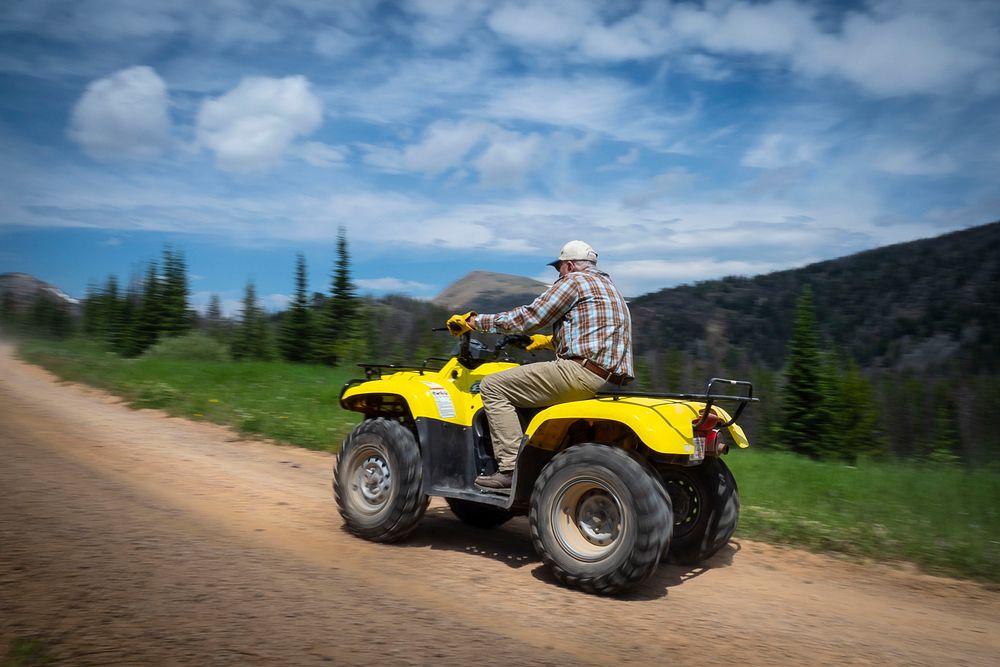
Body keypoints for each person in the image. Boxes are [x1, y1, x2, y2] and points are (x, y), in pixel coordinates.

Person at [446, 240, 634, 489]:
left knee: (492, 386)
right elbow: (591, 336)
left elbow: (528, 317)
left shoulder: (575, 281)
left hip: (581, 374)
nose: (558, 274)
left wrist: (474, 322)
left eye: (559, 269)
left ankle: (510, 469)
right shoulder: (609, 288)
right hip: (611, 380)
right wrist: (544, 342)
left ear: (569, 265)